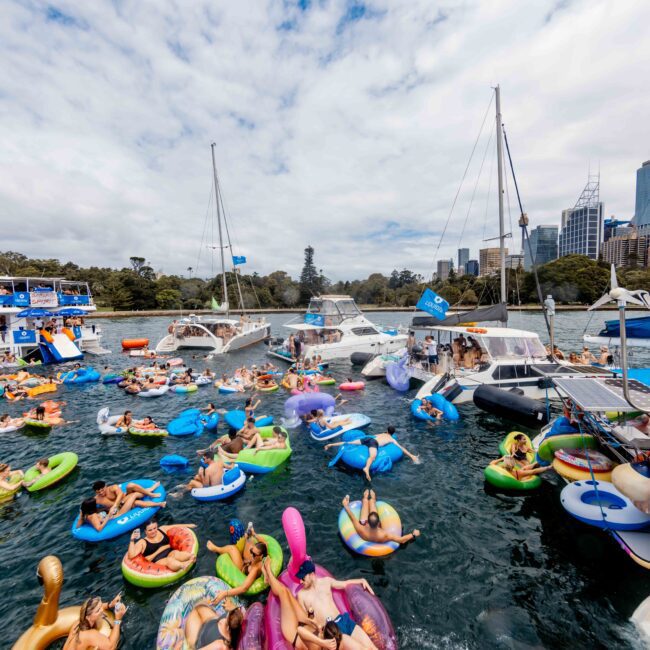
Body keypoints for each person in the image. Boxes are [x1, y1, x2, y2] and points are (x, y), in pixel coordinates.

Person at [259, 558, 342, 650]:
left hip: (293, 634)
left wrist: (322, 640)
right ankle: (268, 579)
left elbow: (300, 630)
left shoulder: (319, 647)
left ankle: (268, 572)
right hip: (307, 625)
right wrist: (315, 624)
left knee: (283, 592)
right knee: (287, 592)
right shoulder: (327, 639)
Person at [295, 559, 378, 650]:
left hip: (344, 621)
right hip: (330, 630)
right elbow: (303, 620)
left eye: (303, 578)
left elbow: (345, 584)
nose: (301, 581)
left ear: (311, 575)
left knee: (372, 647)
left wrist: (361, 580)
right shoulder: (301, 595)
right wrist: (313, 622)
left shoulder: (326, 581)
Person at [325, 426, 420, 481]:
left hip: (368, 439)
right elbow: (401, 448)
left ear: (386, 431)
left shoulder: (381, 434)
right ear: (393, 434)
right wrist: (412, 456)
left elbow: (372, 436)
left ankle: (330, 444)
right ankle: (366, 468)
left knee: (349, 443)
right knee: (372, 457)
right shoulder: (391, 439)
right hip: (373, 443)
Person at [206, 525, 270, 605]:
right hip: (247, 563)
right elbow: (265, 543)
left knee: (232, 549)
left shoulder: (255, 569)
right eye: (251, 551)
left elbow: (244, 588)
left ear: (261, 556)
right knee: (249, 541)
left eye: (254, 554)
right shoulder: (263, 554)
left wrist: (224, 594)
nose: (252, 554)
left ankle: (216, 549)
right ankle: (247, 536)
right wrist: (254, 534)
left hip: (242, 570)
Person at [342, 492, 419, 545]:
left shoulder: (361, 529)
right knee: (372, 501)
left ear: (368, 522)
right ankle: (373, 498)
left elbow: (352, 518)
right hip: (378, 535)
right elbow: (401, 540)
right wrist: (413, 534)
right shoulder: (385, 535)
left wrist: (346, 505)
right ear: (379, 522)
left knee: (365, 501)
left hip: (363, 525)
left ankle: (365, 497)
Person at [62, 593, 127, 650]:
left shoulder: (78, 623)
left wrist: (110, 604)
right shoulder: (90, 634)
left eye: (100, 606)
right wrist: (118, 619)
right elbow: (111, 647)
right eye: (98, 610)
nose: (102, 610)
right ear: (88, 617)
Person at [127, 520, 196, 571]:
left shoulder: (162, 529)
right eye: (150, 530)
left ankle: (191, 557)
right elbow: (131, 555)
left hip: (171, 552)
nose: (153, 531)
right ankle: (183, 565)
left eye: (155, 528)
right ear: (145, 531)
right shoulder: (142, 542)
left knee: (176, 553)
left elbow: (174, 526)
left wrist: (188, 525)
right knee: (169, 560)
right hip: (158, 559)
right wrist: (132, 540)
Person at [93, 480, 164, 516]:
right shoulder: (98, 499)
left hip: (124, 499)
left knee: (130, 485)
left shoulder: (113, 488)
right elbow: (88, 507)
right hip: (122, 506)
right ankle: (152, 492)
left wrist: (115, 505)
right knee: (135, 499)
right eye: (98, 492)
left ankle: (150, 493)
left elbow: (120, 494)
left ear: (106, 486)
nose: (101, 493)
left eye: (102, 490)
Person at [489, 455, 553, 481]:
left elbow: (491, 463)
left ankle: (536, 463)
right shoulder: (518, 473)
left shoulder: (501, 469)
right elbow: (533, 472)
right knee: (526, 470)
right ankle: (537, 463)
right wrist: (548, 467)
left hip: (512, 476)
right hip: (521, 479)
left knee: (524, 468)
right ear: (513, 465)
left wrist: (501, 459)